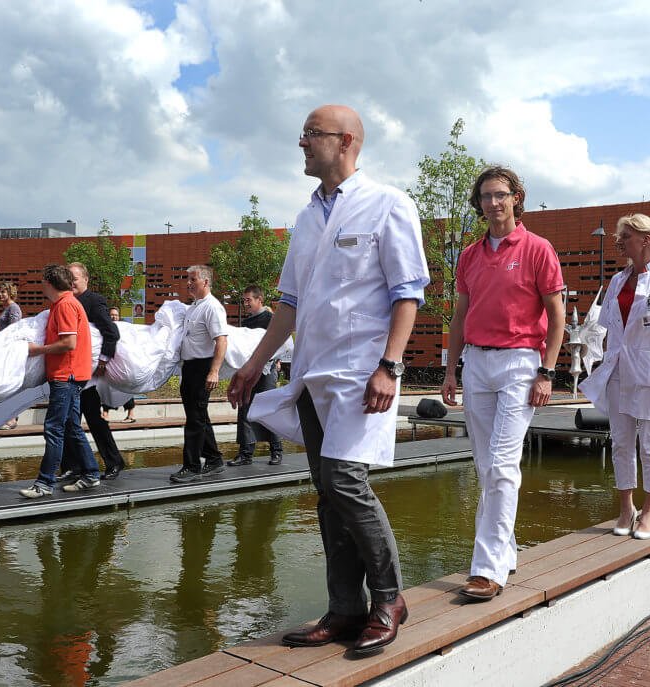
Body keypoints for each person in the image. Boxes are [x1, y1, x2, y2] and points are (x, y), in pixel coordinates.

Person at [228, 104, 429, 656]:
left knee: (345, 482)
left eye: (311, 134)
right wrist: (252, 365)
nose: (301, 143)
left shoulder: (388, 204)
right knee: (325, 494)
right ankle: (344, 608)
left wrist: (390, 365)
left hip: (363, 372)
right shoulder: (306, 217)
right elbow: (289, 303)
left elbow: (408, 291)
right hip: (313, 372)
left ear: (345, 142)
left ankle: (388, 598)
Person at [440, 165, 565, 601]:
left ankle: (487, 569)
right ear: (479, 204)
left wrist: (548, 371)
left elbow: (557, 314)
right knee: (484, 466)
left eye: (501, 194)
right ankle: (506, 549)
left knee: (501, 465)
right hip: (476, 362)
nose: (494, 203)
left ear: (516, 198)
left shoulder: (537, 248)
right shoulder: (470, 255)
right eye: (486, 196)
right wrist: (450, 368)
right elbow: (460, 316)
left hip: (520, 364)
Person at [580, 214, 650, 540]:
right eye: (618, 237)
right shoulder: (616, 280)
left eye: (625, 236)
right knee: (622, 442)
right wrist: (602, 361)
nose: (619, 242)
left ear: (645, 239)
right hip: (618, 372)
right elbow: (610, 328)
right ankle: (626, 506)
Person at [19, 264, 102, 498]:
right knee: (70, 426)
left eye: (43, 282)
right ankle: (91, 474)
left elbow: (69, 343)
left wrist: (38, 350)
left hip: (67, 375)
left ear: (49, 282)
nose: (41, 286)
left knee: (53, 427)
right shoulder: (63, 303)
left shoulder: (65, 305)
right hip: (71, 374)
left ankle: (44, 483)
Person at [58, 262, 126, 481]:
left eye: (75, 278)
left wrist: (104, 361)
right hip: (69, 373)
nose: (71, 282)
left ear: (86, 279)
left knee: (94, 421)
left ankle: (114, 462)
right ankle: (72, 466)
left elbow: (111, 333)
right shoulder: (63, 301)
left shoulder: (93, 301)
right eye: (68, 278)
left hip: (88, 376)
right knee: (68, 422)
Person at [170, 264, 228, 484]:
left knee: (195, 419)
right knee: (198, 415)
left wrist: (214, 371)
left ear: (205, 282)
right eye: (188, 279)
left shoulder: (212, 307)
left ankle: (192, 466)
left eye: (193, 279)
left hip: (203, 367)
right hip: (190, 367)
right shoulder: (194, 307)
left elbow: (221, 340)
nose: (188, 283)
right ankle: (214, 459)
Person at [227, 285, 284, 466]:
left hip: (266, 370)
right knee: (244, 409)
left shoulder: (270, 319)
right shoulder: (245, 323)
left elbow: (281, 342)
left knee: (268, 409)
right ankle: (245, 454)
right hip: (249, 371)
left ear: (259, 300)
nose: (245, 304)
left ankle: (276, 451)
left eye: (248, 300)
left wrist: (273, 361)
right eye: (243, 300)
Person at [102, 306, 137, 423]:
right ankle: (105, 413)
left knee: (125, 389)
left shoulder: (124, 328)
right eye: (112, 315)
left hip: (122, 363)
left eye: (116, 315)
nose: (114, 317)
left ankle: (131, 413)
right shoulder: (104, 327)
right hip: (109, 361)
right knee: (106, 387)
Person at [0, 282, 23, 430]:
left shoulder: (13, 308)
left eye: (3, 292)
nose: (0, 295)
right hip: (3, 350)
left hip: (10, 351)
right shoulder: (7, 308)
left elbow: (14, 329)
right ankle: (8, 417)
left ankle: (12, 419)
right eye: (0, 292)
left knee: (10, 386)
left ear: (10, 293)